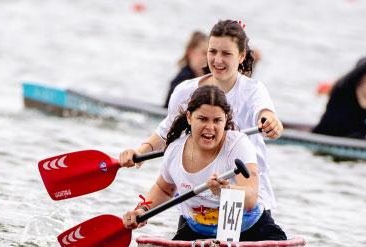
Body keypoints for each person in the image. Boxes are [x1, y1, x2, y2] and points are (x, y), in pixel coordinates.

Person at [120, 19, 283, 216]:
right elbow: (167, 132)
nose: (218, 60)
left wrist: (271, 123)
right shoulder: (185, 91)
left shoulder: (253, 90)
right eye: (212, 52)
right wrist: (139, 153)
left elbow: (267, 115)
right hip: (199, 201)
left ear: (241, 56)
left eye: (226, 53)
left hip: (247, 200)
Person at [123, 85, 286, 241]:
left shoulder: (238, 144)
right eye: (202, 119)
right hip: (198, 229)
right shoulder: (174, 150)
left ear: (225, 120)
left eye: (217, 121)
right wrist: (143, 210)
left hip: (250, 228)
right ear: (189, 117)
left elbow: (251, 197)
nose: (210, 127)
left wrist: (225, 191)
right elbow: (164, 189)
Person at [164, 31, 208, 108]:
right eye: (204, 53)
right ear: (191, 53)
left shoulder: (204, 79)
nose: (208, 58)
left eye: (210, 53)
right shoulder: (183, 79)